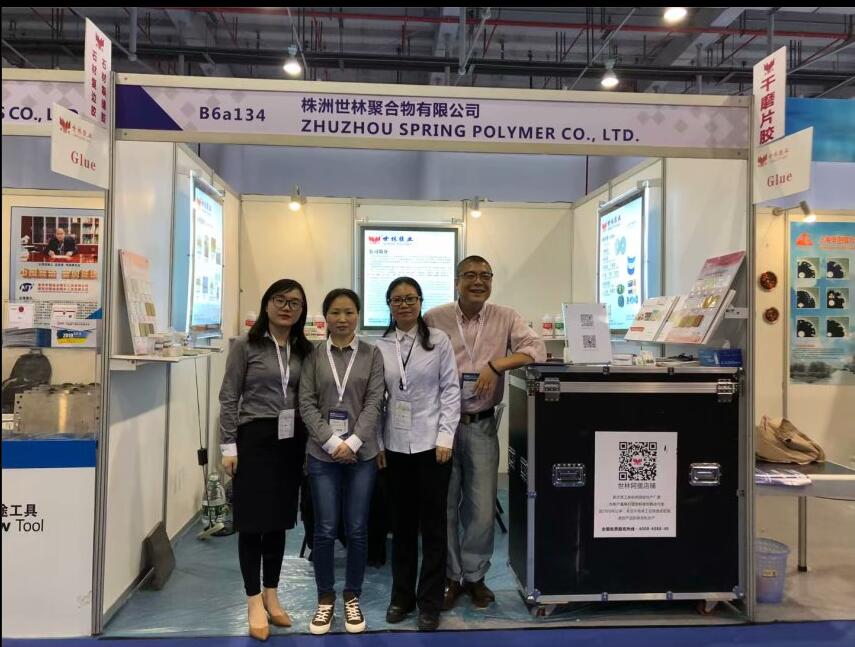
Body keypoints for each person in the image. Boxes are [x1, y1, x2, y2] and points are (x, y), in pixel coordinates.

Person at [424, 255, 546, 610]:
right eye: (470, 275)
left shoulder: (505, 316)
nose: (478, 282)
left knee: (480, 510)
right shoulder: (435, 318)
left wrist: (497, 364)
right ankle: (450, 576)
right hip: (441, 427)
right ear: (457, 281)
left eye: (485, 276)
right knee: (445, 506)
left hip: (481, 425)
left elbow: (536, 350)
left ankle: (474, 576)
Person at [218, 279, 313, 641]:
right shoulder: (246, 345)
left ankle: (272, 594)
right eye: (280, 300)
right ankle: (253, 600)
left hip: (291, 440)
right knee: (252, 523)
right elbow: (229, 396)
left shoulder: (304, 349)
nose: (287, 308)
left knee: (278, 522)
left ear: (302, 311)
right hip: (254, 437)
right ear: (267, 303)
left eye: (295, 303)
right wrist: (228, 445)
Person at [375, 277, 460, 632]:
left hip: (432, 447)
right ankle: (402, 597)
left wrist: (446, 437)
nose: (404, 304)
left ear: (421, 302)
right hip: (395, 447)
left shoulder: (438, 341)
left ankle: (430, 602)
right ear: (389, 305)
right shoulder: (380, 346)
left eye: (410, 298)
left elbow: (450, 390)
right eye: (397, 299)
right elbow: (375, 400)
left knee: (434, 528)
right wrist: (378, 444)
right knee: (402, 527)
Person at [299, 288, 385, 635]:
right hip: (323, 454)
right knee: (325, 528)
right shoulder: (313, 355)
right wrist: (334, 442)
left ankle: (352, 595)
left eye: (349, 312)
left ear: (358, 315)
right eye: (335, 312)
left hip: (362, 454)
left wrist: (353, 442)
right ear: (325, 317)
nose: (342, 319)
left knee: (357, 528)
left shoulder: (371, 353)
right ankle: (325, 598)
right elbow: (306, 403)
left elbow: (375, 401)